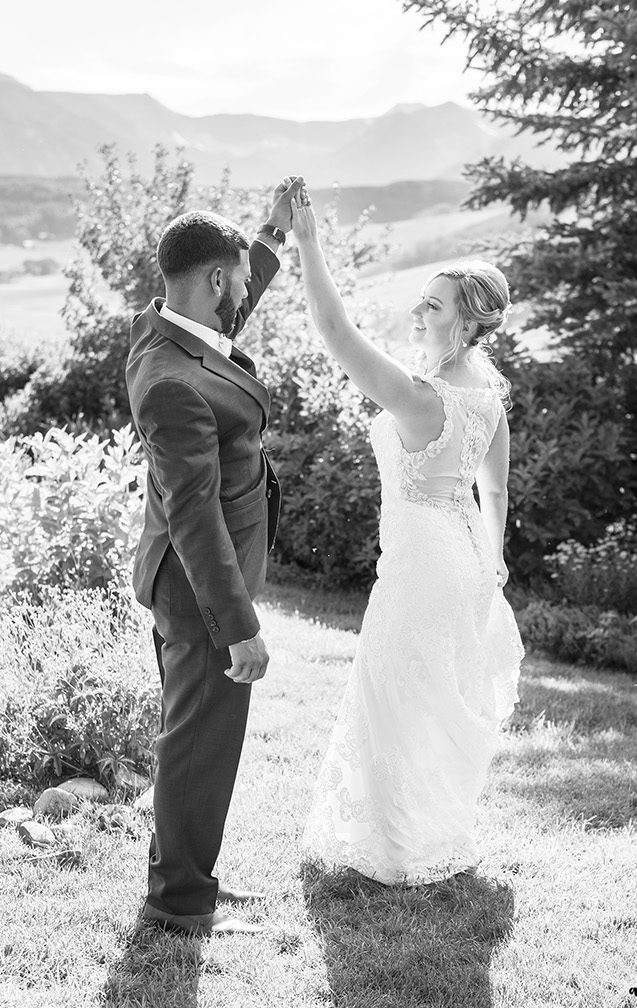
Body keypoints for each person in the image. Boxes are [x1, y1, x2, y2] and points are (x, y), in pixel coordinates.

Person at [290, 190, 524, 884]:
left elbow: (335, 332)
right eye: (421, 300)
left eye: (432, 305)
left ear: (463, 324)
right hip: (467, 559)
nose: (417, 312)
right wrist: (496, 564)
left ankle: (393, 849)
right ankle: (428, 829)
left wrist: (308, 244)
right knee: (430, 697)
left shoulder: (422, 398)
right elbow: (499, 492)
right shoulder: (488, 400)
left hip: (422, 560)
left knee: (390, 692)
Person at [125, 175, 304, 935]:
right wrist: (238, 626)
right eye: (235, 281)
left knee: (187, 737)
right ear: (213, 279)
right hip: (200, 588)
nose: (241, 299)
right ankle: (181, 904)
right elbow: (195, 516)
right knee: (200, 744)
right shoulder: (170, 383)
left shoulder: (164, 327)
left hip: (184, 578)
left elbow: (232, 304)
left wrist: (268, 238)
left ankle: (183, 872)